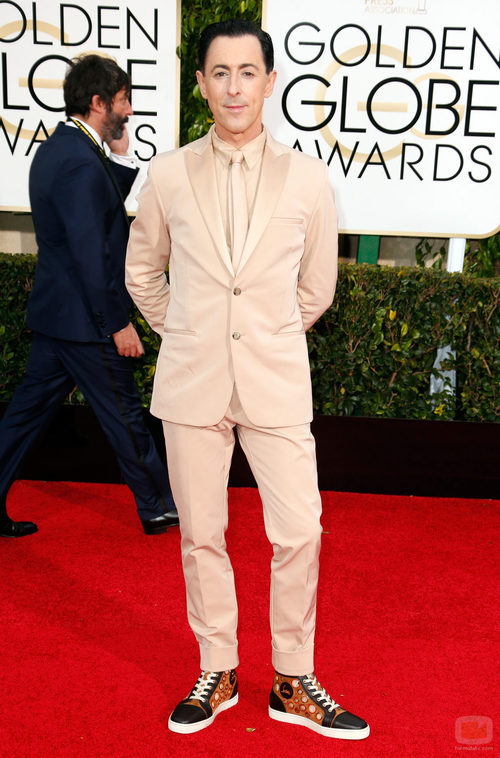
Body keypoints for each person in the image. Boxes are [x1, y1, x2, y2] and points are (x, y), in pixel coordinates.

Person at [125, 19, 369, 740]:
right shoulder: (167, 174)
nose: (235, 87)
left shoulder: (308, 178)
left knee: (301, 531)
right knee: (202, 536)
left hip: (276, 382)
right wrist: (188, 331)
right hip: (191, 382)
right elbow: (142, 272)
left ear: (269, 82)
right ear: (201, 84)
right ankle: (219, 669)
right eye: (220, 73)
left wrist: (263, 334)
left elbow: (316, 287)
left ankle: (292, 677)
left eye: (248, 72)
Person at [0, 54, 178, 539]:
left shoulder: (64, 149)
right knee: (125, 415)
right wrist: (117, 322)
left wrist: (118, 154)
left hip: (60, 318)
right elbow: (90, 251)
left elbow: (97, 208)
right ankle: (159, 507)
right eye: (123, 101)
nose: (129, 111)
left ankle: (158, 504)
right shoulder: (78, 160)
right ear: (99, 102)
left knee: (23, 419)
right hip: (86, 321)